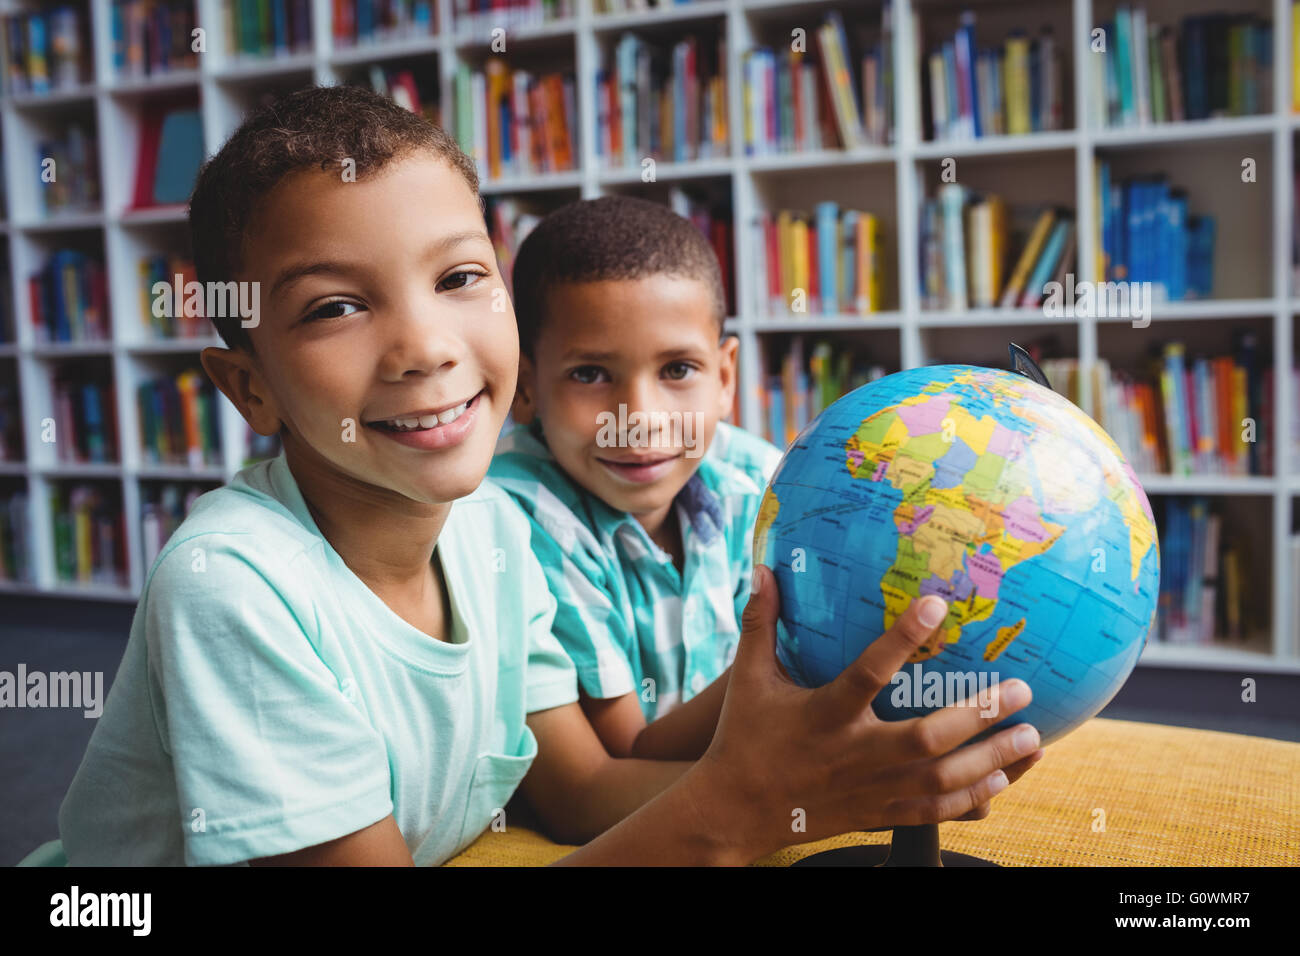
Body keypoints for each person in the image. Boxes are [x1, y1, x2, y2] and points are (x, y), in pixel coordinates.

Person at [57, 86, 1042, 866]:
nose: (424, 347)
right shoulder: (234, 585)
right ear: (247, 386)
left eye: (458, 277)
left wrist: (792, 750)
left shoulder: (488, 530)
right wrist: (743, 807)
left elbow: (586, 783)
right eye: (333, 308)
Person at [490, 195, 782, 760]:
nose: (640, 418)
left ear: (724, 377)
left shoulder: (761, 483)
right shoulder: (522, 517)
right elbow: (631, 755)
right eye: (591, 374)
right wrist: (782, 663)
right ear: (525, 387)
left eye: (678, 369)